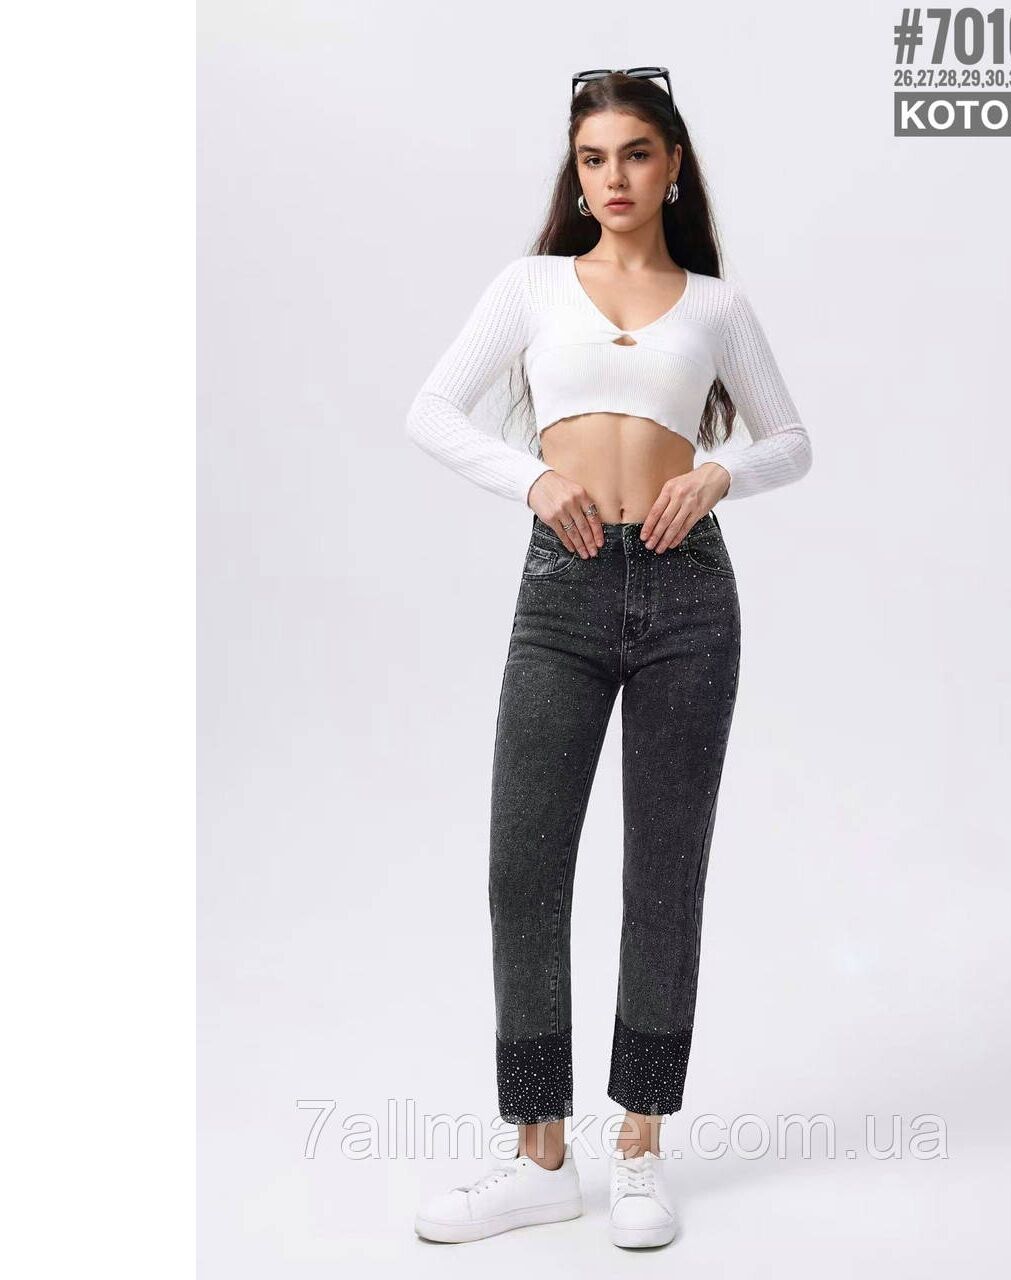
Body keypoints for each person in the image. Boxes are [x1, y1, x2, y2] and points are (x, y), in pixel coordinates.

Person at [406, 67, 812, 1249]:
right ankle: (539, 1156)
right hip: (563, 590)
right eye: (593, 158)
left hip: (689, 594)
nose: (613, 177)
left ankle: (638, 1149)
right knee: (521, 867)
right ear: (573, 173)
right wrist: (531, 479)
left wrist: (719, 471)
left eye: (635, 153)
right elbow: (431, 409)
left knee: (662, 876)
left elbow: (791, 438)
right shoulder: (529, 286)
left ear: (671, 165)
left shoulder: (716, 307)